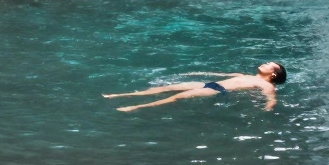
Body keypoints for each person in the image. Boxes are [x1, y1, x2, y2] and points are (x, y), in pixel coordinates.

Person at [106, 62, 287, 112]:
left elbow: (271, 98)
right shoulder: (244, 76)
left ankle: (135, 107)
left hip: (217, 90)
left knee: (175, 97)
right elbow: (219, 75)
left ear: (273, 74)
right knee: (166, 88)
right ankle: (120, 95)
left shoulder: (265, 84)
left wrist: (267, 109)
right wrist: (191, 73)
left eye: (269, 64)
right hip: (208, 84)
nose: (264, 63)